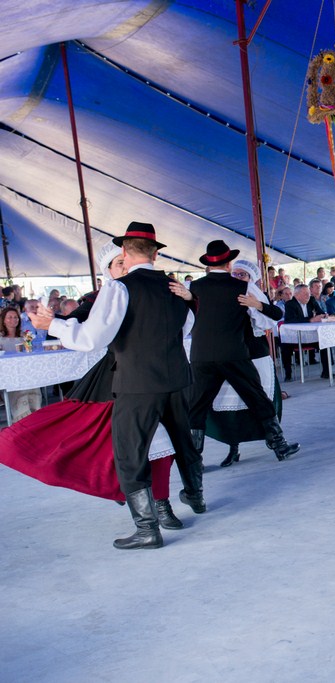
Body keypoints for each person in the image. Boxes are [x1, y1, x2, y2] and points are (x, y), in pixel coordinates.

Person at [30, 222, 203, 550]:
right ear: (156, 252)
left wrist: (52, 324)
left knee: (129, 453)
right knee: (183, 441)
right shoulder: (174, 287)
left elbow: (94, 338)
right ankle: (196, 498)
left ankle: (147, 529)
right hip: (178, 378)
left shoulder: (120, 287)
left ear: (124, 251)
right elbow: (187, 327)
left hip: (138, 382)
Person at [0, 240, 183, 529]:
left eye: (125, 262)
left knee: (158, 443)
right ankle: (149, 509)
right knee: (125, 445)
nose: (125, 268)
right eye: (119, 265)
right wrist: (54, 322)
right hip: (116, 380)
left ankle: (160, 506)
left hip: (148, 380)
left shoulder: (156, 289)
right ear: (108, 271)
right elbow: (82, 326)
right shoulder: (104, 297)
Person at [182, 240, 299, 461]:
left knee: (197, 406)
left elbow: (184, 321)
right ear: (229, 264)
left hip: (201, 355)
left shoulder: (194, 288)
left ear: (209, 264)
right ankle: (278, 444)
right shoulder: (242, 287)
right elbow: (273, 316)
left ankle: (193, 460)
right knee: (257, 397)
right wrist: (258, 305)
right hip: (233, 354)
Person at [203, 258, 289, 467]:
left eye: (242, 275)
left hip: (255, 353)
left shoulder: (254, 293)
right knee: (230, 406)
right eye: (236, 274)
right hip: (231, 356)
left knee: (262, 400)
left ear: (251, 278)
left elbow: (275, 315)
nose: (238, 278)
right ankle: (234, 447)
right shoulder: (224, 294)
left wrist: (256, 304)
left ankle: (277, 443)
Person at [0, 306, 43, 422]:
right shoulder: (0, 339)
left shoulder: (25, 337)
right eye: (9, 317)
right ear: (3, 320)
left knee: (33, 384)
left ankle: (35, 414)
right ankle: (22, 418)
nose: (13, 319)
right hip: (8, 376)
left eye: (15, 317)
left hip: (25, 372)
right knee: (20, 389)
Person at [281, 283, 328, 381]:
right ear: (296, 295)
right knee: (285, 347)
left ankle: (326, 372)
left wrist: (323, 316)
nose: (308, 296)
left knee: (325, 342)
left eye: (308, 293)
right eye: (305, 294)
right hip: (294, 337)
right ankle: (288, 374)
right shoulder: (290, 304)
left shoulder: (311, 300)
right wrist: (310, 320)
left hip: (310, 336)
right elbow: (290, 320)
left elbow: (320, 312)